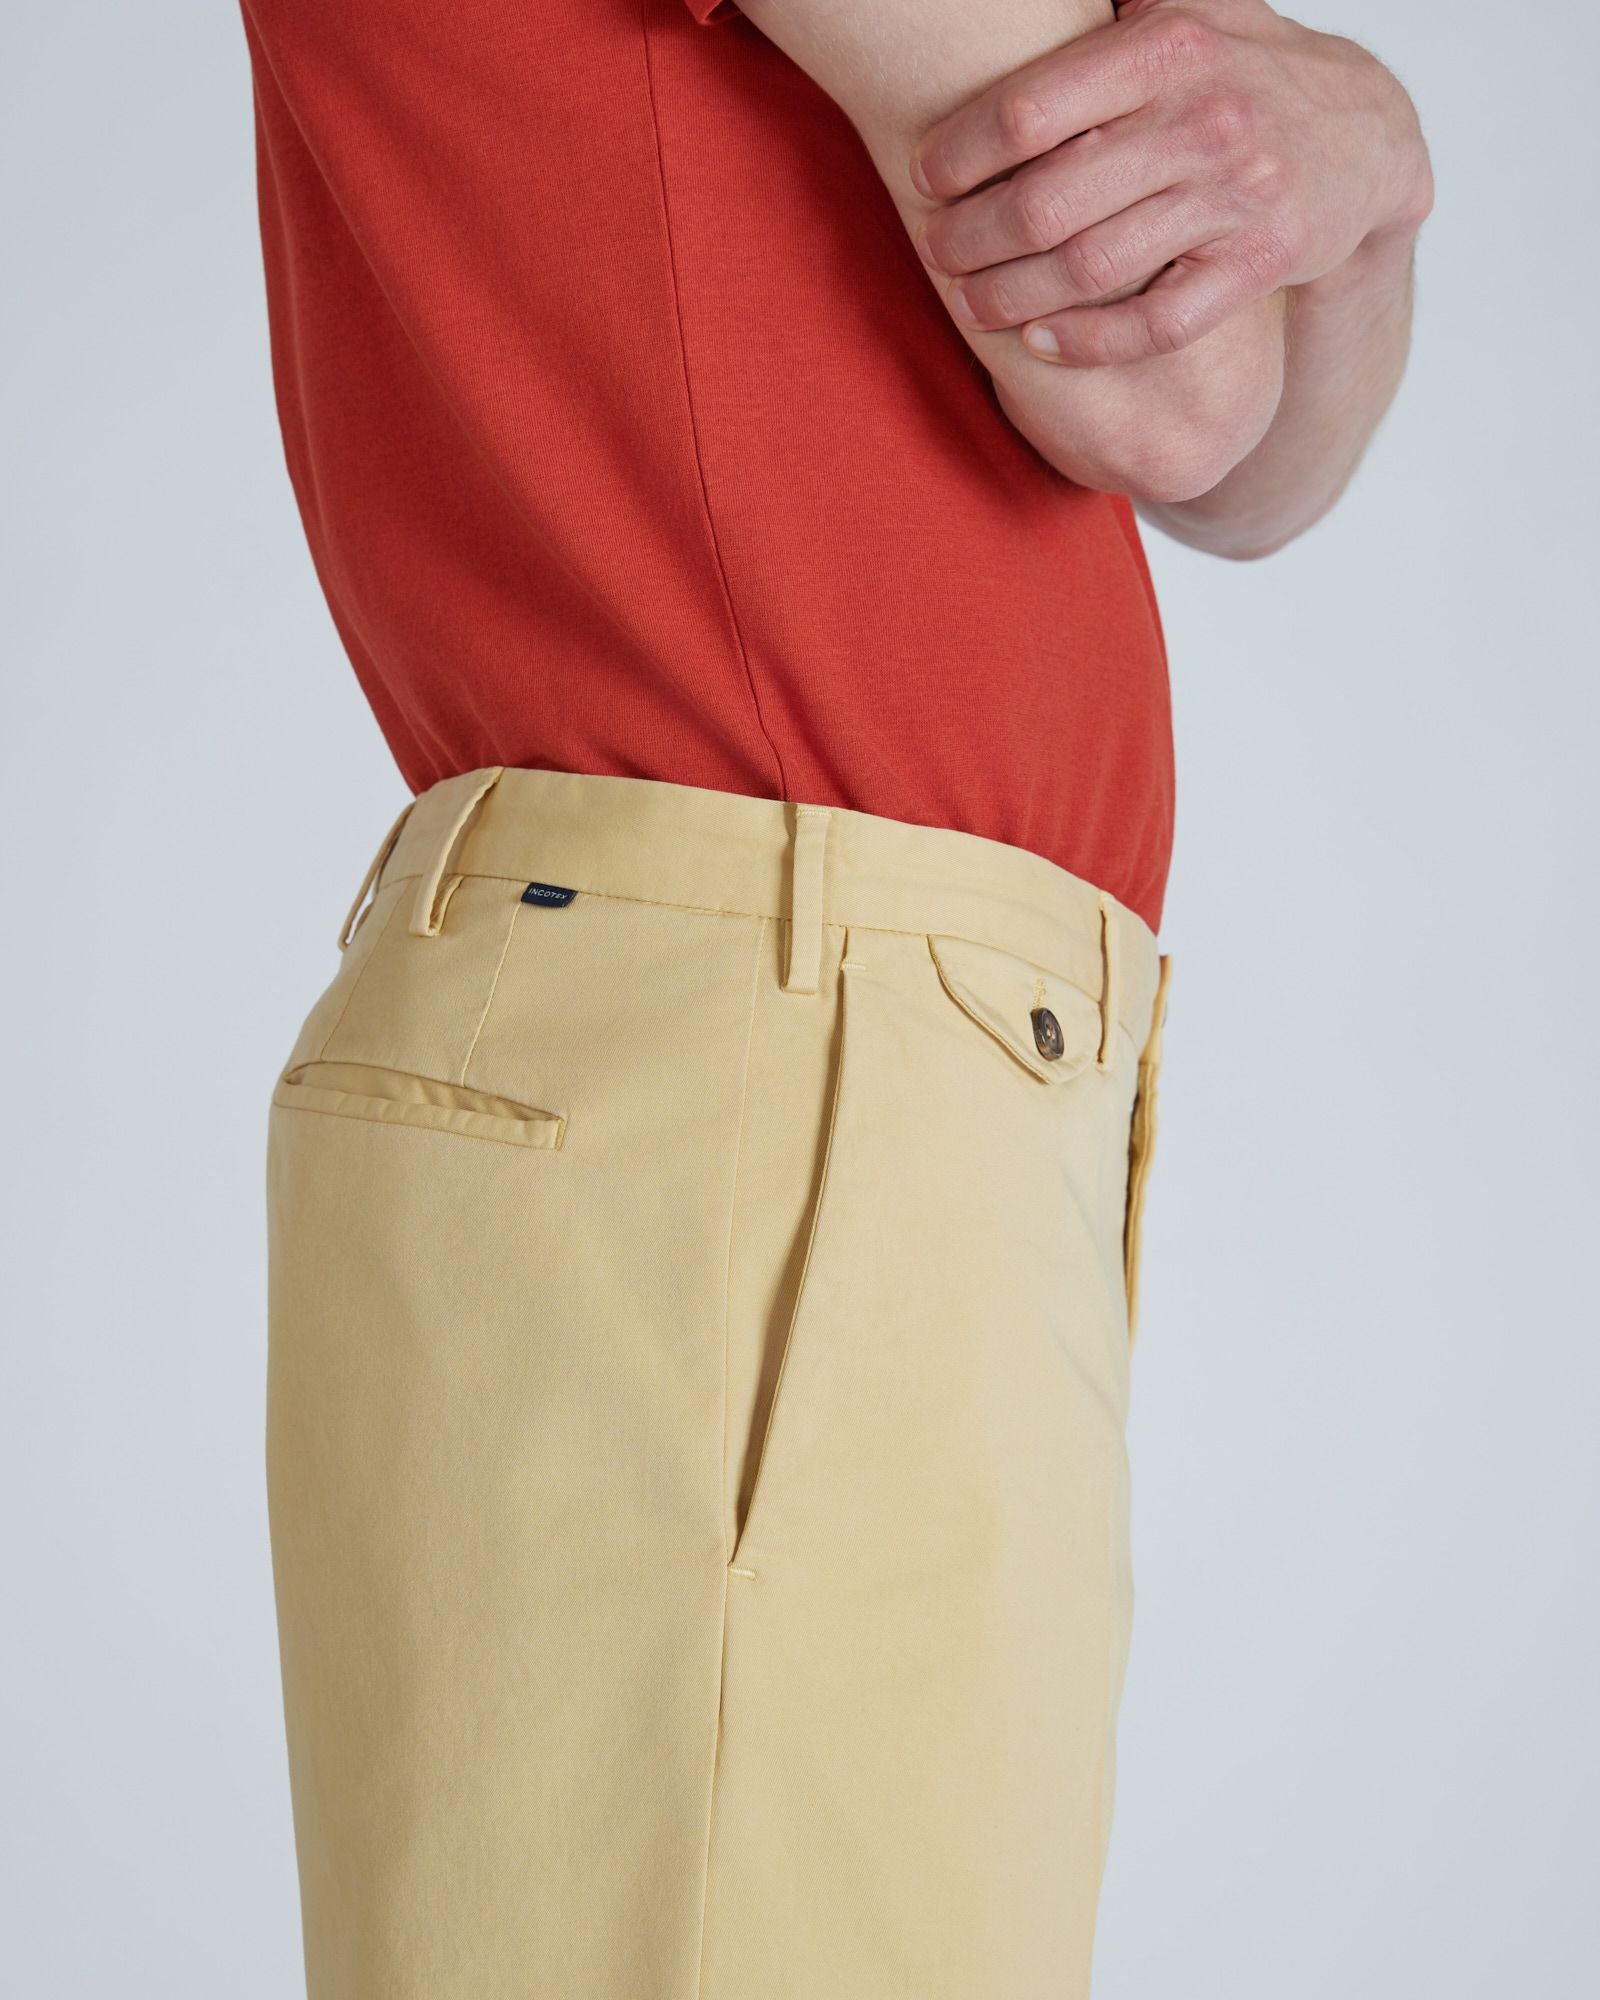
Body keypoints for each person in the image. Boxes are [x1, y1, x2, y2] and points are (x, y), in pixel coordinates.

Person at [238, 1, 1431, 1993]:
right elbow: (1183, 390)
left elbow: (1255, 470)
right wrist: (1358, 138)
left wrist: (1358, 200)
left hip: (795, 1049)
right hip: (754, 1053)